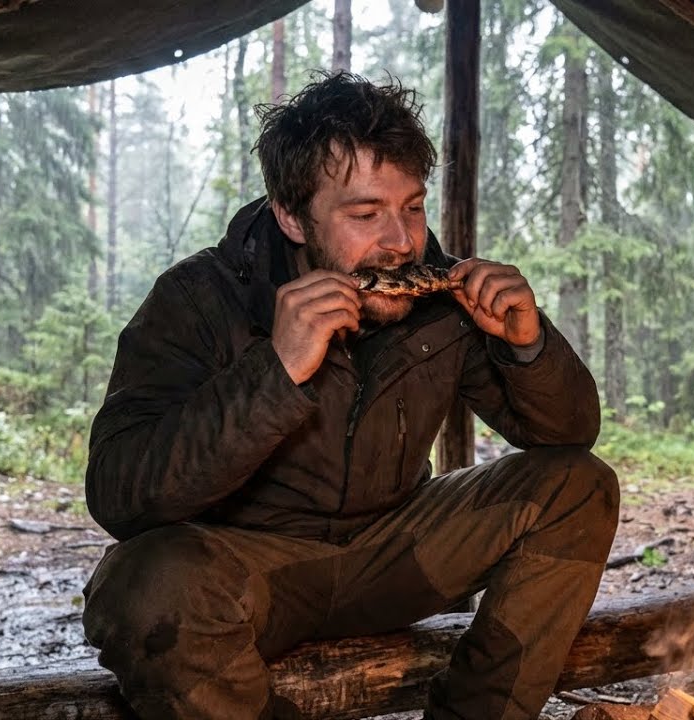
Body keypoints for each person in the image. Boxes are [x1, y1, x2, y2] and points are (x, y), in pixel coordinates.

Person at [81, 71, 619, 720]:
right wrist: (276, 373)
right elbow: (118, 494)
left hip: (397, 551)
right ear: (291, 216)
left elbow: (566, 439)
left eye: (412, 207)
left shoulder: (443, 299)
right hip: (259, 573)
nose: (401, 241)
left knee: (579, 487)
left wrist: (528, 347)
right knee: (145, 588)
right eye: (366, 214)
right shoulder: (198, 299)